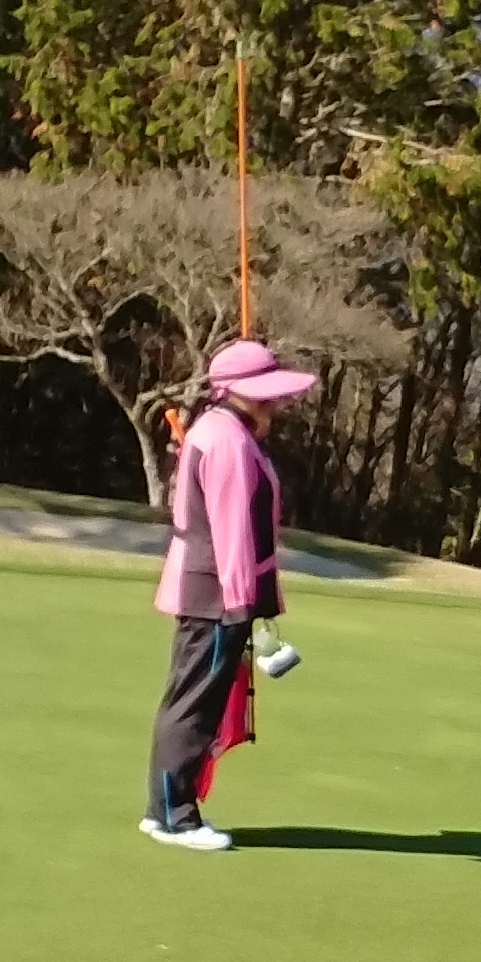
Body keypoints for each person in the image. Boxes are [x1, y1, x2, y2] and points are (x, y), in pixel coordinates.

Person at [140, 335, 317, 854]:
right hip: (215, 596)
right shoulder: (228, 442)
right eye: (267, 394)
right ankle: (175, 817)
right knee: (194, 705)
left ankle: (166, 810)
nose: (275, 403)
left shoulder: (225, 431)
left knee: (193, 700)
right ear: (241, 392)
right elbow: (233, 530)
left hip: (213, 593)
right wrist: (244, 604)